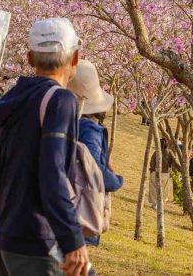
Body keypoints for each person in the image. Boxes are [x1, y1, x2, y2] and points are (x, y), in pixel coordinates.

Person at [0, 17, 88, 276]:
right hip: (40, 242)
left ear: (30, 59)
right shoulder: (61, 100)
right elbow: (53, 175)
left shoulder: (8, 100)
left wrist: (3, 225)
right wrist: (73, 240)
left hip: (9, 238)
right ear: (75, 58)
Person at [68, 59, 122, 247]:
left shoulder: (62, 123)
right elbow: (93, 170)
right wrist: (116, 181)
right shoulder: (89, 130)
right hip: (80, 210)